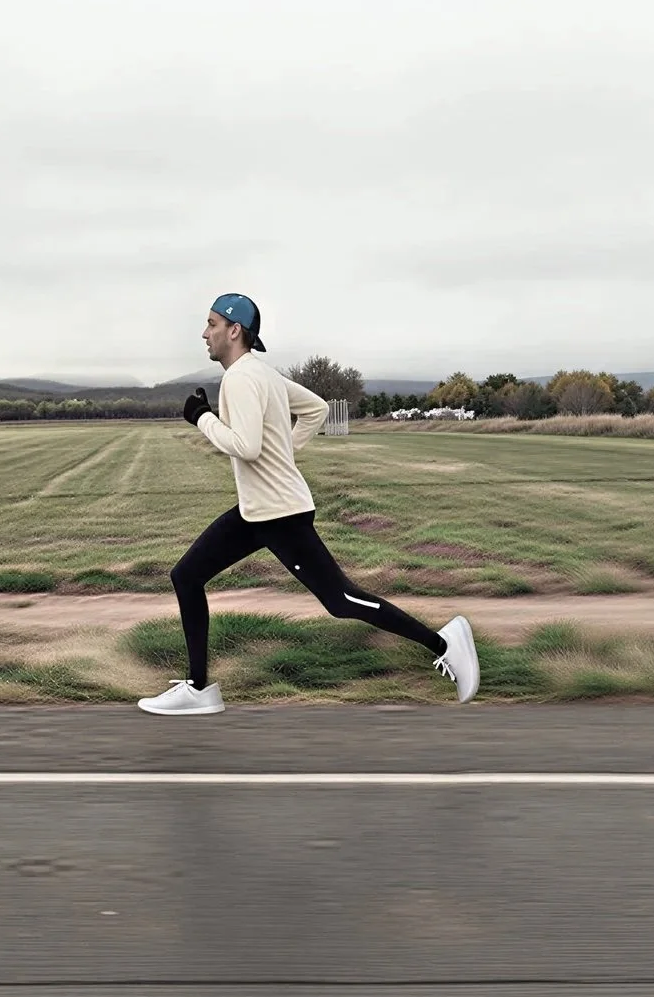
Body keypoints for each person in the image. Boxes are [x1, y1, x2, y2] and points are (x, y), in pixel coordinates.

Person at [139, 293, 477, 716]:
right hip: (256, 512)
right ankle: (199, 688)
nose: (203, 333)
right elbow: (316, 410)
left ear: (233, 330)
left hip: (279, 515)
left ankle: (445, 643)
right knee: (186, 575)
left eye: (210, 324)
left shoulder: (242, 379)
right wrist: (285, 455)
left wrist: (202, 418)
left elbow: (245, 446)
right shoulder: (265, 375)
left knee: (341, 601)